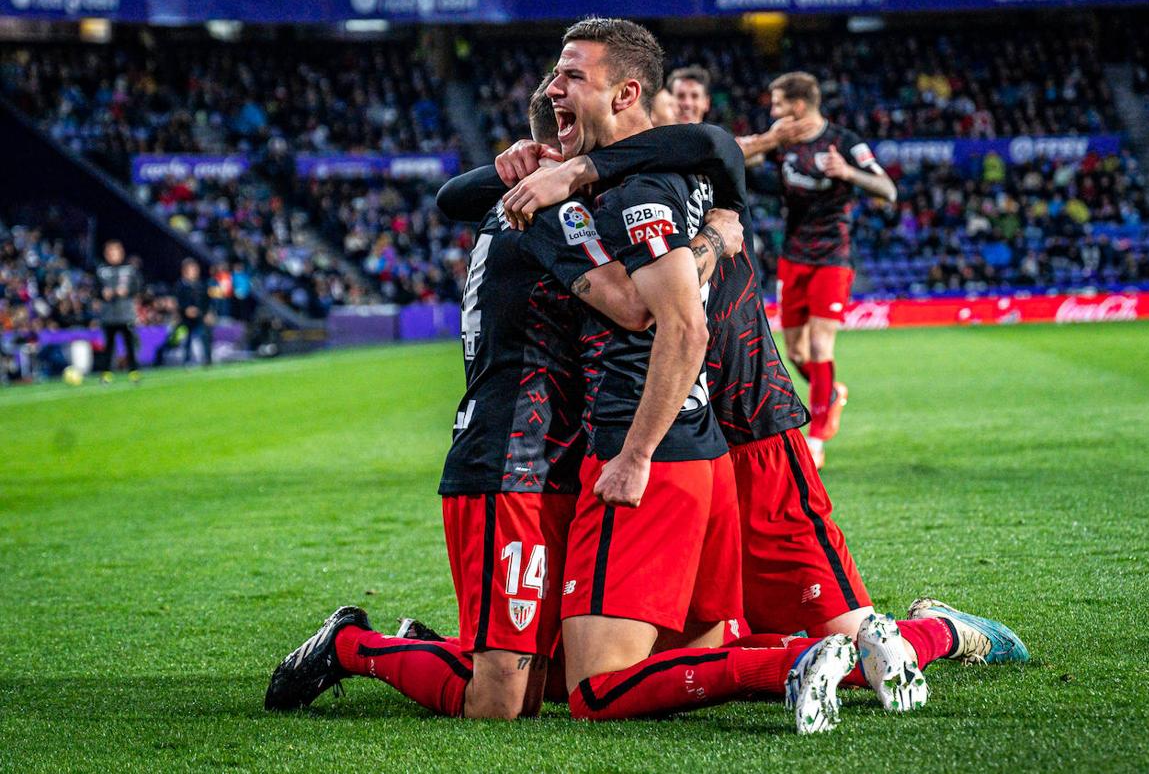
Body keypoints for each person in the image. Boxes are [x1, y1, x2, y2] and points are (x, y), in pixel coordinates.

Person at [501, 62, 1028, 711]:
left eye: (693, 101)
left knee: (851, 637)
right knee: (678, 653)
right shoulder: (617, 200)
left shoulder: (697, 178)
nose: (687, 111)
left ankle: (943, 631)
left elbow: (714, 147)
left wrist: (574, 171)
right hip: (697, 446)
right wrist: (533, 164)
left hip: (755, 430)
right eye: (679, 99)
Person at [264, 74, 746, 722]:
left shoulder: (536, 199)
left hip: (553, 452)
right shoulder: (553, 212)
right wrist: (709, 242)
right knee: (500, 700)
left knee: (551, 670)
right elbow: (637, 310)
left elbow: (452, 196)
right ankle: (351, 646)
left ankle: (432, 648)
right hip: (509, 457)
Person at [738, 72, 898, 468]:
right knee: (794, 350)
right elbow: (740, 159)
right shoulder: (784, 142)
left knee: (821, 346)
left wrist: (848, 173)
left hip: (832, 255)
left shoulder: (845, 143)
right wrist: (769, 141)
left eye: (777, 104)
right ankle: (832, 393)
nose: (772, 112)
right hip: (794, 255)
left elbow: (888, 190)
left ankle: (817, 440)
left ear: (797, 104)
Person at [95, 239, 141, 384]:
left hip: (126, 313)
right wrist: (102, 293)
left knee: (129, 344)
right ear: (106, 254)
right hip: (108, 314)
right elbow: (94, 290)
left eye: (116, 251)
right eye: (110, 252)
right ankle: (106, 373)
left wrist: (127, 291)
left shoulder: (129, 269)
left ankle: (133, 371)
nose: (113, 254)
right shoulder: (101, 270)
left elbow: (138, 287)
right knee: (108, 346)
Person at [156, 258, 213, 367]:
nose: (194, 272)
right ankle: (160, 356)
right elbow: (177, 302)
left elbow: (207, 301)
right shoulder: (180, 286)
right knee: (176, 339)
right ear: (185, 271)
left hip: (199, 318)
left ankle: (208, 360)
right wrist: (185, 310)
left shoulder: (201, 285)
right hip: (184, 320)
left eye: (195, 269)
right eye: (192, 269)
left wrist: (207, 313)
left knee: (205, 335)